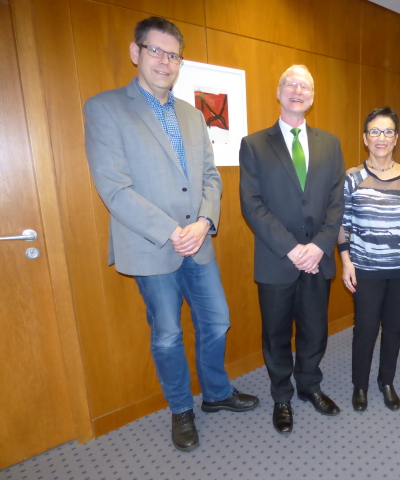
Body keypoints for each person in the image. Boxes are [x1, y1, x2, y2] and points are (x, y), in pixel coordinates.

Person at [84, 17, 259, 453]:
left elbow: (210, 178)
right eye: (155, 50)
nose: (165, 61)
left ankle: (216, 395)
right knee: (166, 334)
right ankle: (181, 409)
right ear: (135, 52)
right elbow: (114, 187)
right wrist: (172, 231)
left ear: (181, 62)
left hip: (199, 242)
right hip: (151, 247)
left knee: (216, 321)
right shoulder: (105, 108)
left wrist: (203, 222)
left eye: (173, 54)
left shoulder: (192, 114)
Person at [239, 65, 345, 435]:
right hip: (276, 260)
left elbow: (337, 201)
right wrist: (293, 249)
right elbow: (251, 205)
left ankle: (310, 386)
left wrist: (318, 246)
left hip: (318, 259)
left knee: (315, 329)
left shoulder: (330, 144)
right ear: (279, 91)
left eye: (306, 86)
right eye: (291, 84)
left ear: (312, 97)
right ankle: (282, 396)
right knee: (277, 334)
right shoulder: (254, 144)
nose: (298, 91)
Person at [337, 107, 400, 413]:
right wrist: (346, 261)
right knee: (365, 328)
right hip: (366, 268)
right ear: (365, 138)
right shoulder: (352, 177)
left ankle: (386, 381)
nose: (381, 138)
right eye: (375, 132)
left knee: (394, 328)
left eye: (388, 131)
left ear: (396, 138)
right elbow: (343, 224)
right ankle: (360, 385)